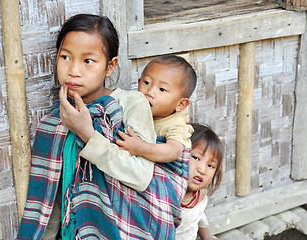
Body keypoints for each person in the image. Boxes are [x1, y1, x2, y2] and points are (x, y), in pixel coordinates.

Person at [17, 13, 189, 240]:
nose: (73, 70)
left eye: (88, 61)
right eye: (66, 57)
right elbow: (50, 197)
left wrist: (87, 133)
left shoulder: (131, 104)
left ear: (110, 67)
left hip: (124, 229)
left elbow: (140, 177)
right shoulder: (56, 119)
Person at [116, 54, 197, 163]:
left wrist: (141, 148)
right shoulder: (131, 106)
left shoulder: (175, 125)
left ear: (180, 104)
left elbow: (172, 151)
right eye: (147, 83)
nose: (150, 92)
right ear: (139, 82)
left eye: (162, 89)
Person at [176, 123, 223, 240]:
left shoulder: (200, 193)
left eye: (211, 165)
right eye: (196, 158)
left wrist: (206, 237)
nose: (202, 170)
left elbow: (199, 215)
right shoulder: (168, 194)